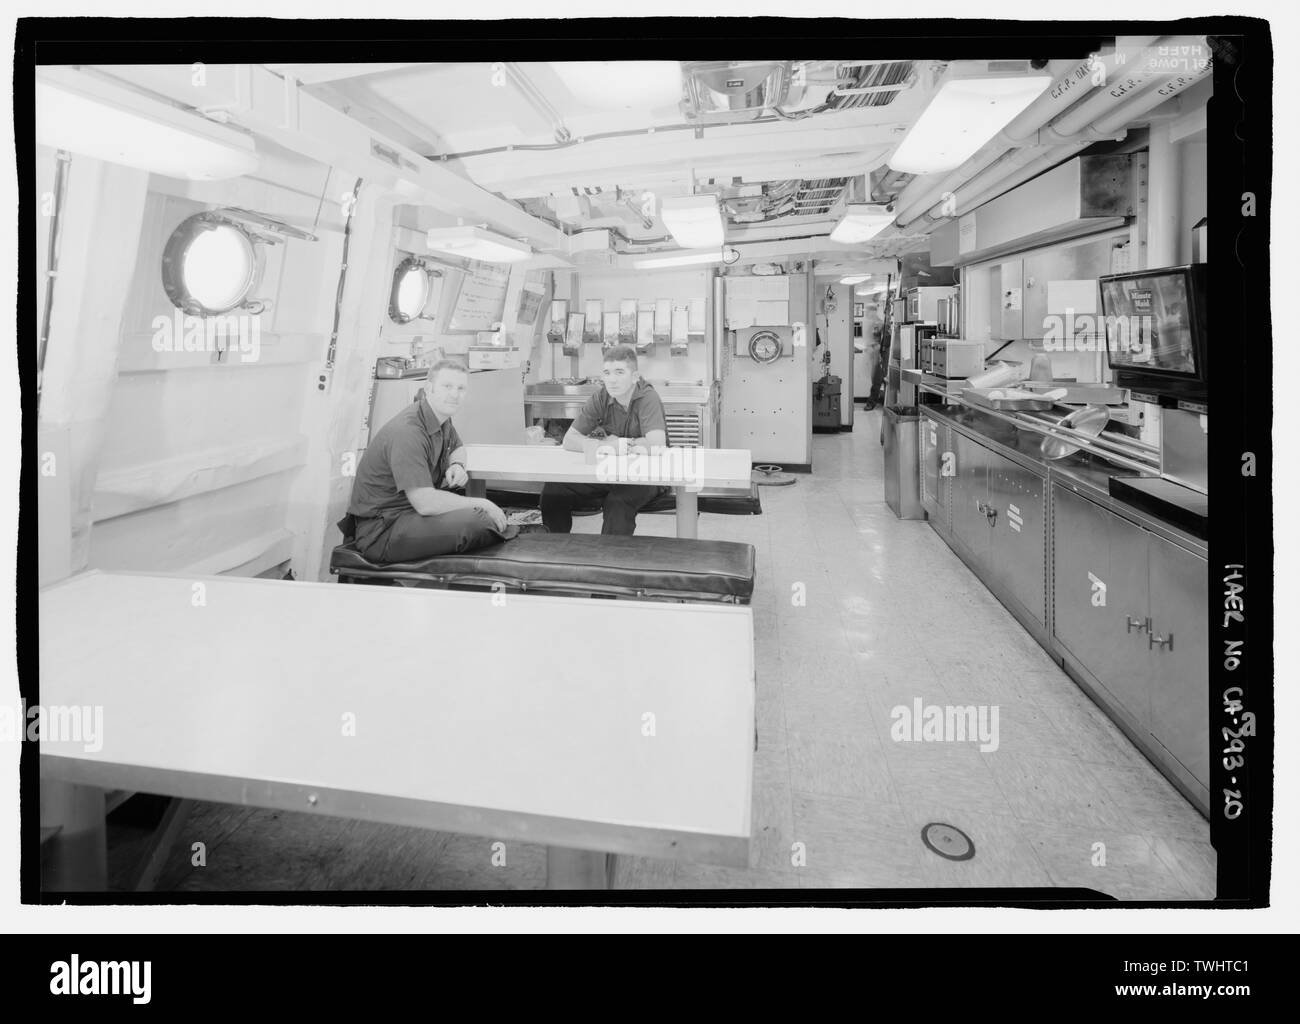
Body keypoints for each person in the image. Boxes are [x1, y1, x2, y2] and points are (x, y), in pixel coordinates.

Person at [342, 358, 514, 563]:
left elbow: (458, 447)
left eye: (461, 388)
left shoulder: (441, 418)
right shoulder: (408, 433)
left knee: (479, 518)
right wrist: (484, 503)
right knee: (477, 518)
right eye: (447, 386)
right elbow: (426, 503)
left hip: (410, 515)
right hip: (383, 531)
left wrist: (457, 465)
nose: (454, 394)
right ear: (428, 388)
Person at [540, 344, 668, 535]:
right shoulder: (601, 397)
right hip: (610, 472)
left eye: (619, 372)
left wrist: (622, 445)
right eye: (607, 373)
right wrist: (606, 446)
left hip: (647, 475)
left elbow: (657, 444)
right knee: (553, 490)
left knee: (617, 503)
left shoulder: (647, 398)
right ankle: (557, 550)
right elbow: (570, 440)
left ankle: (610, 560)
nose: (612, 380)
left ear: (634, 377)